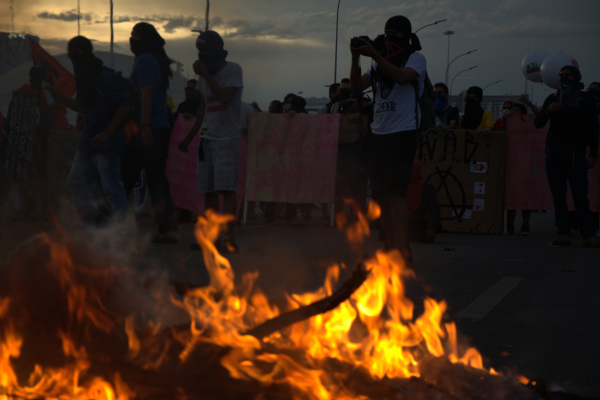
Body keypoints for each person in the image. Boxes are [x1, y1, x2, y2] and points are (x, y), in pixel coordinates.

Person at [350, 15, 427, 257]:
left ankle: (402, 246)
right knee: (380, 196)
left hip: (402, 133)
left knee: (396, 194)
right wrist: (355, 57)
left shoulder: (416, 58)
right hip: (378, 133)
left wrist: (375, 55)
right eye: (386, 33)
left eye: (395, 33)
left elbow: (402, 78)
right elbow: (356, 88)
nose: (390, 37)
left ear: (406, 35)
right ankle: (389, 243)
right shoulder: (377, 63)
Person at [52, 36, 130, 225]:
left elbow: (125, 106)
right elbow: (85, 107)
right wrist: (59, 98)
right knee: (76, 182)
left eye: (76, 54)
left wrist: (106, 134)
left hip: (106, 143)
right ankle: (92, 230)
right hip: (88, 143)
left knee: (112, 189)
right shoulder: (87, 79)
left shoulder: (104, 76)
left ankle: (121, 235)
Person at [178, 30, 243, 253]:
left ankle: (229, 236)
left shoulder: (233, 69)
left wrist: (205, 75)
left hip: (227, 139)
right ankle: (213, 237)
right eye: (199, 51)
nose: (201, 54)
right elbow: (204, 108)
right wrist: (189, 136)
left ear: (215, 51)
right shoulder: (203, 76)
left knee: (226, 190)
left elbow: (225, 98)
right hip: (208, 138)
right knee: (209, 191)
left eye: (205, 50)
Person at [121, 22, 178, 243]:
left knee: (125, 176)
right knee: (156, 179)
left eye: (134, 35)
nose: (131, 39)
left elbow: (146, 94)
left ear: (144, 39)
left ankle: (108, 224)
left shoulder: (145, 60)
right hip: (158, 128)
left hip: (147, 129)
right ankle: (167, 227)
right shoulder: (155, 60)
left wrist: (144, 126)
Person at [534, 65, 600, 247]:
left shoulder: (585, 99)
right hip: (554, 152)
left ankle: (588, 234)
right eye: (561, 75)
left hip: (575, 153)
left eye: (568, 75)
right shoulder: (553, 98)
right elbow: (538, 123)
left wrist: (593, 154)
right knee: (558, 195)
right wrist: (549, 110)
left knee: (580, 195)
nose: (564, 78)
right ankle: (563, 232)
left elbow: (594, 128)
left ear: (576, 77)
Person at [330, 79, 370, 217]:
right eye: (342, 89)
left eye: (348, 89)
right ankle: (338, 215)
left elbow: (365, 130)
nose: (344, 91)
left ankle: (356, 215)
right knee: (337, 183)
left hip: (353, 147)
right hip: (338, 147)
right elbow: (330, 128)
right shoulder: (335, 106)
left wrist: (364, 152)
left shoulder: (360, 107)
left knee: (354, 182)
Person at [503, 101, 533, 234]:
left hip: (526, 166)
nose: (513, 112)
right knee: (512, 197)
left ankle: (525, 225)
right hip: (511, 166)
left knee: (526, 197)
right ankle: (510, 224)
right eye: (512, 110)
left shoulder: (529, 127)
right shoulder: (505, 124)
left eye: (516, 110)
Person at [406, 161, 441, 243]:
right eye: (410, 172)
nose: (412, 175)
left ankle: (408, 237)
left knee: (437, 226)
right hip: (403, 221)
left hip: (418, 222)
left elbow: (435, 208)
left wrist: (431, 226)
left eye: (414, 172)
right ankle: (416, 237)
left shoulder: (427, 188)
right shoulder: (401, 186)